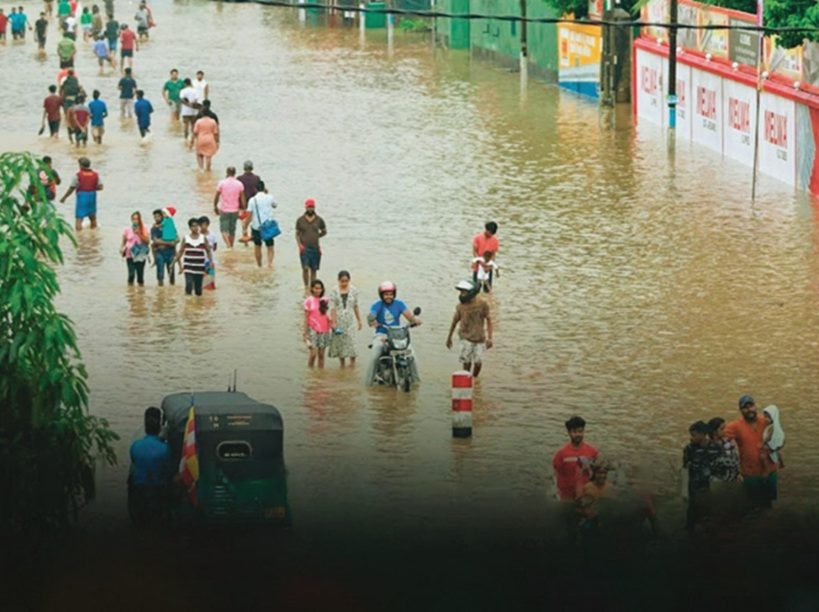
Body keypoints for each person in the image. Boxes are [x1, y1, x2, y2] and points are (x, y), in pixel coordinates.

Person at [725, 395, 779, 510]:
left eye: (751, 406)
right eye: (745, 407)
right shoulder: (736, 426)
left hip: (770, 471)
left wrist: (775, 448)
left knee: (768, 506)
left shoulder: (766, 422)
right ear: (741, 410)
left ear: (755, 406)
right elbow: (719, 436)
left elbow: (780, 438)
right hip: (750, 474)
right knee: (752, 507)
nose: (749, 409)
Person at [364, 281, 422, 385]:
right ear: (382, 295)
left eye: (390, 294)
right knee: (375, 355)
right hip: (381, 334)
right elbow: (371, 315)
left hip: (397, 335)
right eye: (386, 294)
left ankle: (416, 381)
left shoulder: (399, 304)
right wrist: (372, 321)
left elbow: (409, 316)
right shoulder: (377, 305)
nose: (388, 296)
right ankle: (368, 383)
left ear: (394, 294)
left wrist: (415, 321)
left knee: (411, 354)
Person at [128, 407, 171, 526]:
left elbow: (134, 462)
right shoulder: (166, 448)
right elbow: (168, 468)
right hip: (158, 489)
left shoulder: (136, 444)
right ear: (160, 424)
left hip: (138, 489)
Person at [445, 280, 493, 378]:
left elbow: (488, 319)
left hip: (480, 338)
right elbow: (454, 322)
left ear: (471, 293)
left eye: (464, 292)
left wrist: (490, 337)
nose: (461, 295)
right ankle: (467, 380)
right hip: (465, 337)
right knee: (466, 362)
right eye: (461, 292)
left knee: (478, 362)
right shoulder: (460, 307)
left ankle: (475, 379)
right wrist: (449, 337)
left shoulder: (482, 304)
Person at [682, 420, 721, 534]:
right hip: (694, 485)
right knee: (693, 509)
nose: (691, 438)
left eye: (694, 435)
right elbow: (684, 467)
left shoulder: (716, 448)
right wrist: (684, 490)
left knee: (710, 510)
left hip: (710, 486)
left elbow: (722, 467)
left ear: (703, 434)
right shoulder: (689, 449)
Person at [552, 415, 599, 502]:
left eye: (580, 431)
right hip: (566, 496)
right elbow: (555, 473)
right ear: (569, 433)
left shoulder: (592, 451)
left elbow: (598, 471)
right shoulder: (561, 454)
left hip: (585, 494)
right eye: (574, 432)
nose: (577, 434)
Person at [328, 270, 362, 368]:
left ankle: (352, 364)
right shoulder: (334, 291)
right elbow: (332, 308)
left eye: (346, 281)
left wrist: (359, 320)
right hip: (339, 319)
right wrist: (333, 322)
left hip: (350, 319)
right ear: (338, 280)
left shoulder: (354, 290)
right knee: (341, 343)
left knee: (352, 342)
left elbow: (356, 306)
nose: (344, 283)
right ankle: (342, 365)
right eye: (342, 281)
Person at [59, 157, 103, 231]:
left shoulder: (78, 175)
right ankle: (93, 235)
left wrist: (64, 197)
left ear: (81, 165)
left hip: (82, 196)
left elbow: (72, 188)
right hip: (92, 196)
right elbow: (101, 187)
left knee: (79, 218)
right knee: (93, 217)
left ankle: (79, 237)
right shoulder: (95, 175)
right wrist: (91, 187)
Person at [295, 199, 327, 295]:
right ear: (305, 207)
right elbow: (297, 234)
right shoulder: (300, 220)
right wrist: (299, 245)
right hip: (304, 247)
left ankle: (313, 287)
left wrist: (317, 236)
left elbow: (324, 231)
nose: (310, 208)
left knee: (314, 269)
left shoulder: (319, 220)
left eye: (312, 207)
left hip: (315, 247)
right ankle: (306, 287)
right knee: (305, 268)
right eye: (309, 207)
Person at [174, 218, 212, 297]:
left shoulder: (202, 238)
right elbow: (180, 251)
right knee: (189, 285)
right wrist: (174, 262)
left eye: (197, 226)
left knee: (198, 290)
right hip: (188, 266)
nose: (195, 228)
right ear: (190, 227)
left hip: (199, 267)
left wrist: (210, 263)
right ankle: (188, 304)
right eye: (193, 226)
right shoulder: (186, 238)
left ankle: (197, 305)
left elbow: (208, 251)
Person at [212, 166, 246, 250]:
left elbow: (216, 196)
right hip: (235, 210)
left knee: (223, 229)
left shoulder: (222, 183)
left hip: (224, 209)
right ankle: (231, 245)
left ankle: (228, 246)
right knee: (232, 230)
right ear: (235, 173)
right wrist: (244, 209)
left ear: (227, 173)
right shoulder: (239, 184)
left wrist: (215, 206)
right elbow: (242, 198)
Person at [247, 180, 277, 268]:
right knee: (270, 246)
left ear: (255, 189)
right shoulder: (270, 197)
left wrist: (245, 227)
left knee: (257, 246)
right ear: (264, 188)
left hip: (256, 226)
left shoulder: (252, 200)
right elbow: (275, 205)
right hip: (268, 226)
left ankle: (259, 265)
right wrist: (267, 193)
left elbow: (249, 215)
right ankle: (269, 264)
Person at [303, 280, 331, 368]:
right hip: (312, 329)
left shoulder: (325, 300)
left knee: (321, 355)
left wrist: (333, 325)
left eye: (320, 288)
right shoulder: (308, 301)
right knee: (313, 354)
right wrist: (305, 333)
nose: (318, 290)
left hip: (324, 329)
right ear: (312, 288)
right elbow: (306, 318)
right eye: (316, 288)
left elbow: (328, 314)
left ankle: (320, 375)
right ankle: (310, 373)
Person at [120, 211, 150, 286]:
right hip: (130, 254)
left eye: (137, 219)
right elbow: (124, 241)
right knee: (131, 275)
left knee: (140, 276)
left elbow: (147, 242)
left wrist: (139, 233)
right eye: (134, 219)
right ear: (131, 219)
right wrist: (121, 248)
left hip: (141, 254)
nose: (135, 220)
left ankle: (141, 293)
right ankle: (130, 292)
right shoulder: (127, 229)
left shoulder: (144, 228)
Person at [707, 417, 741, 483]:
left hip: (733, 479)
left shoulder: (729, 442)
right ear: (714, 431)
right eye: (722, 429)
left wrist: (738, 473)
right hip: (717, 480)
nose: (725, 430)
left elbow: (735, 458)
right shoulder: (709, 446)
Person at [150, 208, 177, 286]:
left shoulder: (170, 225)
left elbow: (177, 238)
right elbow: (155, 241)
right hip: (160, 253)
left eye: (158, 216)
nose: (156, 218)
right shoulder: (154, 228)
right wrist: (169, 243)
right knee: (160, 275)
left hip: (171, 252)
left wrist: (172, 242)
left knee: (171, 274)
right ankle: (160, 293)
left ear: (162, 216)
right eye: (154, 217)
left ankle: (171, 292)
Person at [237, 161, 260, 243]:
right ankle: (253, 239)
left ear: (244, 168)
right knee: (253, 222)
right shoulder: (257, 178)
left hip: (242, 205)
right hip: (254, 204)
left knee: (244, 224)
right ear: (252, 168)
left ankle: (245, 239)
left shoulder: (239, 179)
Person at [472, 221, 499, 288]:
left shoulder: (495, 240)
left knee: (487, 288)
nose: (491, 235)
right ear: (486, 229)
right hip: (478, 267)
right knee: (475, 288)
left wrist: (489, 266)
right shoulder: (477, 238)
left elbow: (493, 254)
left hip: (488, 267)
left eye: (492, 233)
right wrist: (480, 262)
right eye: (490, 233)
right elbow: (474, 251)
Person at [760, 405, 785, 476]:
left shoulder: (772, 427)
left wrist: (762, 443)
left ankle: (766, 469)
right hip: (772, 445)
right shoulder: (773, 426)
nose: (766, 419)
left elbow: (768, 436)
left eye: (768, 417)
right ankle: (781, 463)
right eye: (765, 417)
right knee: (777, 453)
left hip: (771, 444)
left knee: (763, 456)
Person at [198, 215, 217, 291]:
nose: (203, 227)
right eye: (202, 225)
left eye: (205, 225)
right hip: (200, 260)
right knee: (202, 278)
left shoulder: (212, 235)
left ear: (208, 225)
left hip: (210, 260)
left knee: (211, 277)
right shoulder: (197, 235)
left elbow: (215, 247)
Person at [178, 78, 200, 142]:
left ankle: (185, 139)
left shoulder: (183, 91)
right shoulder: (195, 91)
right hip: (193, 111)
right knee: (193, 125)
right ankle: (193, 139)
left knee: (186, 125)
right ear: (190, 83)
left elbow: (181, 99)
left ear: (185, 84)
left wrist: (187, 104)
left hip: (185, 111)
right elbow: (196, 99)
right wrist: (191, 104)